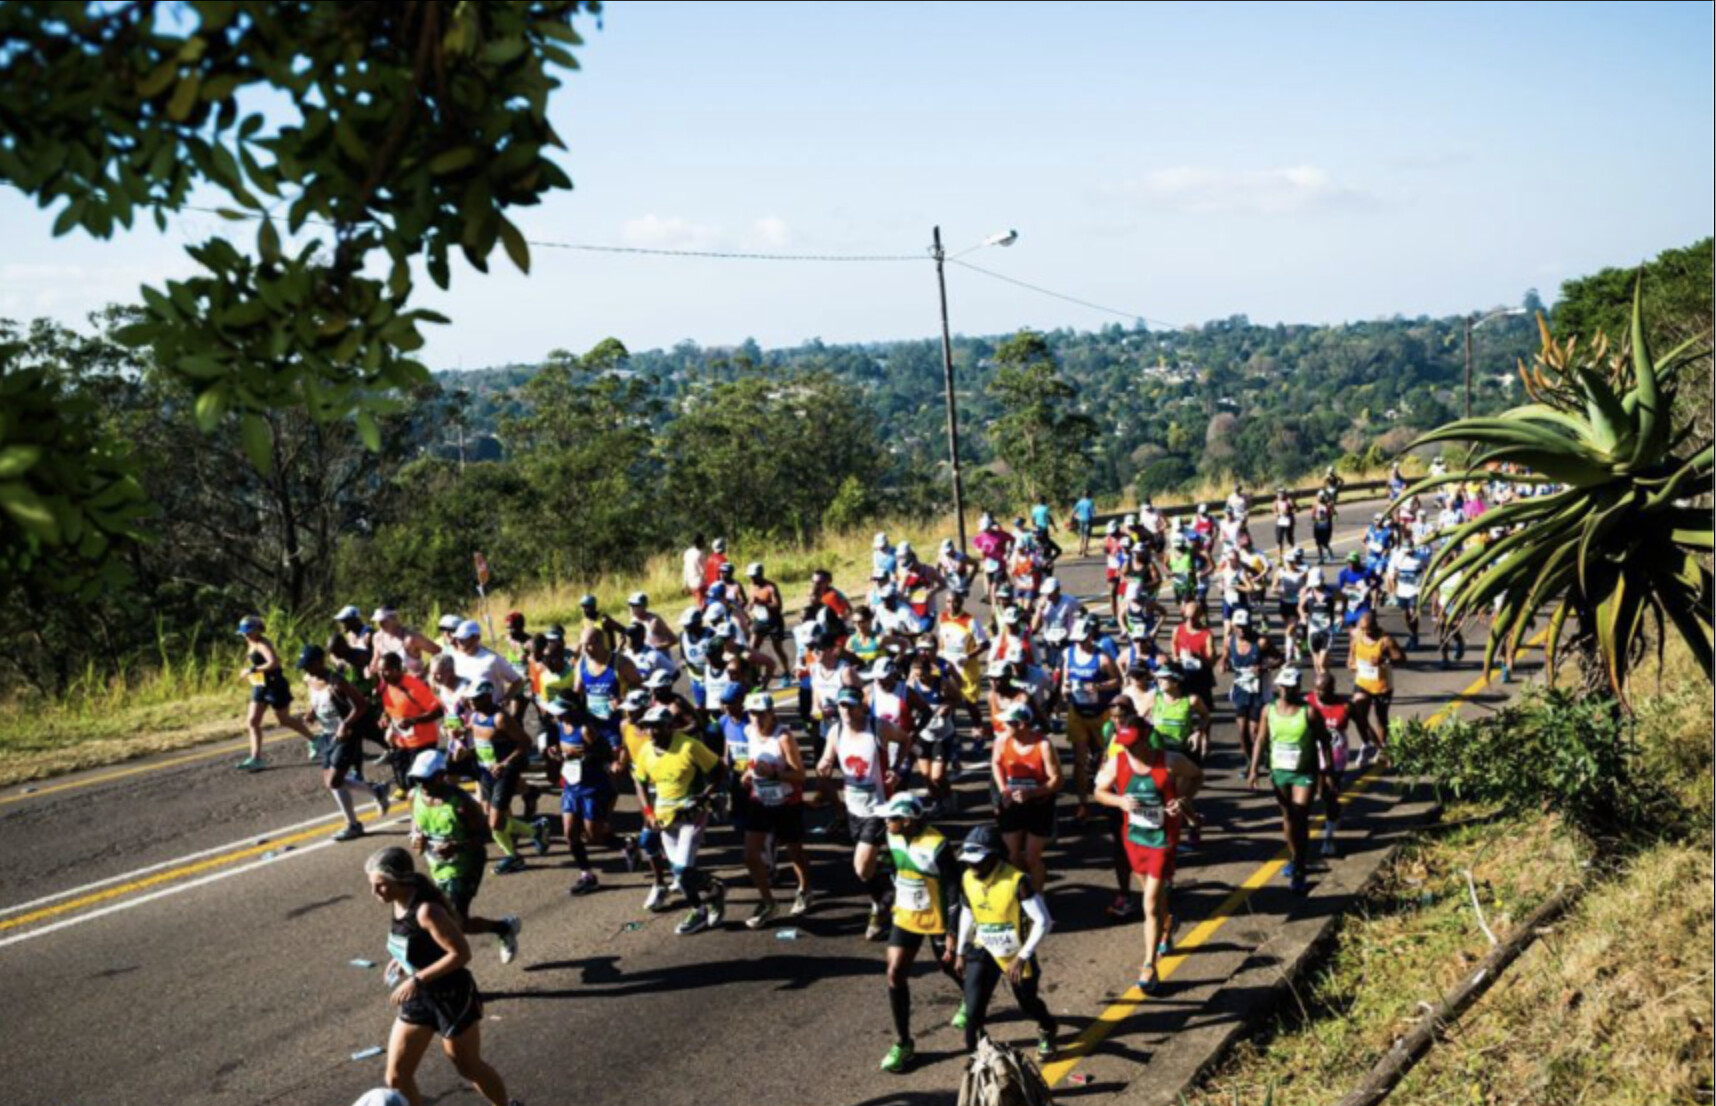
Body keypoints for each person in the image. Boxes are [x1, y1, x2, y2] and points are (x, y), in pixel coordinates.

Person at [363, 846, 519, 1106]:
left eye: (380, 885)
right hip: (419, 997)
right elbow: (418, 941)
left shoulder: (427, 911)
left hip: (451, 997)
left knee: (468, 1066)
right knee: (396, 1077)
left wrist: (417, 978)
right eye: (372, 885)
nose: (374, 892)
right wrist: (403, 959)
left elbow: (461, 954)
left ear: (400, 880)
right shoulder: (398, 902)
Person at [1093, 720, 1203, 994]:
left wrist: (1183, 799)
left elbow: (1196, 775)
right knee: (1152, 897)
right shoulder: (1117, 763)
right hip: (1135, 839)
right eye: (1124, 745)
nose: (1128, 749)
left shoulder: (1170, 761)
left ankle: (1149, 966)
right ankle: (1168, 925)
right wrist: (1120, 801)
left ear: (1145, 739)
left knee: (1150, 903)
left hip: (1162, 840)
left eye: (1132, 744)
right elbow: (1099, 792)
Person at [953, 825, 1058, 1059]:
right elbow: (967, 912)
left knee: (1027, 1004)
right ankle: (978, 1059)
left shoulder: (1017, 881)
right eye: (968, 861)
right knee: (973, 1009)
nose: (972, 867)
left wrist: (1022, 957)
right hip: (984, 949)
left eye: (978, 861)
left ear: (994, 856)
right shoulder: (968, 878)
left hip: (1015, 954)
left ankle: (1047, 1026)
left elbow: (1043, 921)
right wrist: (960, 951)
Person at [817, 685, 913, 941]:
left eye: (851, 705)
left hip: (879, 807)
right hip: (854, 808)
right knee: (868, 867)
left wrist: (897, 768)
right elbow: (826, 760)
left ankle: (883, 902)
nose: (846, 711)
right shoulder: (836, 731)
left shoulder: (878, 727)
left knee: (860, 867)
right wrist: (823, 766)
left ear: (862, 706)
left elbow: (905, 739)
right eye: (842, 705)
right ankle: (884, 896)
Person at [877, 794, 964, 1074]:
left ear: (907, 820)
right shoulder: (891, 836)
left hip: (937, 920)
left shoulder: (936, 845)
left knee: (950, 968)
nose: (886, 822)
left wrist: (952, 931)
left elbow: (954, 889)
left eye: (891, 818)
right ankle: (903, 1043)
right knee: (895, 973)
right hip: (906, 917)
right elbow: (893, 865)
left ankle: (973, 999)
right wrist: (888, 893)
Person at [405, 751, 520, 961]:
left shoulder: (461, 803)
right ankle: (504, 928)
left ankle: (448, 964)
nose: (422, 784)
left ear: (441, 775)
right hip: (437, 864)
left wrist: (457, 847)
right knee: (458, 922)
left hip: (467, 864)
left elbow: (485, 834)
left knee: (451, 921)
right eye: (417, 779)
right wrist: (415, 836)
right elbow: (415, 822)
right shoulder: (414, 796)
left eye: (426, 779)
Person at [634, 705, 729, 935]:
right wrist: (648, 812)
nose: (651, 732)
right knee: (680, 873)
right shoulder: (646, 750)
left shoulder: (689, 746)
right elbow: (640, 781)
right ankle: (713, 889)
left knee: (683, 870)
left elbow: (720, 770)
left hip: (691, 817)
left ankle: (699, 910)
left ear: (670, 727)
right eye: (648, 727)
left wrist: (704, 796)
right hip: (664, 818)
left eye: (657, 727)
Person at [1247, 668, 1331, 895]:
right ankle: (1295, 856)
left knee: (1300, 815)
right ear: (1278, 686)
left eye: (1291, 686)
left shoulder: (1309, 712)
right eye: (1283, 686)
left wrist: (1327, 772)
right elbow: (1261, 739)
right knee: (1288, 816)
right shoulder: (1268, 710)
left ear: (1298, 687)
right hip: (1280, 771)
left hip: (1304, 772)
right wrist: (1253, 769)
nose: (1286, 690)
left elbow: (1324, 741)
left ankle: (1300, 868)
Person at [299, 644, 391, 839]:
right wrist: (312, 712)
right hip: (327, 735)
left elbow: (361, 705)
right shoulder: (309, 679)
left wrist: (345, 724)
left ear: (319, 662)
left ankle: (353, 824)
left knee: (334, 780)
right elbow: (316, 700)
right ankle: (375, 792)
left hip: (346, 735)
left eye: (309, 665)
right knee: (331, 781)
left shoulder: (337, 682)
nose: (306, 670)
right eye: (304, 666)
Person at [737, 692, 813, 927]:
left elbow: (800, 776)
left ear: (771, 713)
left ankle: (804, 889)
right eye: (753, 714)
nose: (757, 719)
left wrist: (774, 774)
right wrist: (748, 774)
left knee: (794, 852)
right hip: (760, 801)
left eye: (761, 714)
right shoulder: (749, 732)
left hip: (786, 802)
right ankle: (768, 902)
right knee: (750, 855)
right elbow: (754, 763)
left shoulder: (783, 738)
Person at [464, 682, 548, 875]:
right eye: (470, 699)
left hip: (504, 773)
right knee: (492, 819)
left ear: (488, 697)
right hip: (485, 772)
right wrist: (461, 733)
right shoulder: (475, 716)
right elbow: (476, 733)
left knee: (495, 822)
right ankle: (515, 854)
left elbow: (525, 742)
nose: (472, 703)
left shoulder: (500, 718)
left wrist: (504, 763)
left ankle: (534, 832)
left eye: (476, 699)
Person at [543, 694, 616, 898]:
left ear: (572, 710)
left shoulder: (585, 729)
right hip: (571, 786)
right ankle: (587, 874)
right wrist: (555, 752)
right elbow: (559, 750)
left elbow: (606, 754)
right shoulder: (559, 725)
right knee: (570, 833)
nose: (556, 716)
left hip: (592, 786)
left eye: (560, 712)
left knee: (593, 836)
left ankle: (626, 845)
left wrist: (582, 755)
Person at [991, 703, 1061, 890]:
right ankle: (1023, 895)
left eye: (1008, 723)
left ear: (1021, 725)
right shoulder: (1002, 741)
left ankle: (1038, 898)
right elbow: (996, 763)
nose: (1003, 726)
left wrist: (1030, 794)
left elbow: (1057, 781)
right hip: (1012, 804)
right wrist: (1003, 789)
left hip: (1039, 805)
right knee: (1012, 856)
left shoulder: (1043, 745)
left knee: (1032, 858)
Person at [235, 615, 319, 770]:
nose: (246, 635)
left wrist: (252, 670)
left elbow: (274, 663)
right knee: (252, 722)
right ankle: (256, 759)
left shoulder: (262, 643)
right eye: (244, 633)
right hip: (260, 686)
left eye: (249, 632)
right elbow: (257, 662)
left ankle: (315, 740)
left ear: (258, 629)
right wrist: (249, 672)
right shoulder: (250, 642)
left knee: (284, 720)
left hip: (275, 686)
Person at [1060, 616, 1121, 821]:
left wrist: (1098, 687)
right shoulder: (1068, 654)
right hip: (1077, 712)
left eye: (1081, 639)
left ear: (1089, 637)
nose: (1078, 643)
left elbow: (1117, 681)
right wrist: (1065, 689)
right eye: (1075, 640)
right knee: (1079, 761)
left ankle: (1108, 797)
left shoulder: (1102, 658)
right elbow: (1065, 680)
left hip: (1100, 714)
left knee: (1105, 758)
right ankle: (1082, 804)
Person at [377, 652, 447, 801]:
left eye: (386, 670)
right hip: (400, 742)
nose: (382, 674)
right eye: (380, 670)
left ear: (397, 669)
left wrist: (413, 721)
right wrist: (385, 718)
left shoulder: (414, 686)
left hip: (422, 742)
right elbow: (390, 710)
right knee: (404, 783)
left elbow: (438, 711)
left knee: (419, 785)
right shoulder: (385, 687)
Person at [907, 641, 962, 816]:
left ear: (930, 671)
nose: (920, 679)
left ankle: (949, 796)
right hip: (923, 734)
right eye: (916, 675)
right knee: (926, 775)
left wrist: (948, 706)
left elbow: (958, 698)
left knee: (937, 776)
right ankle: (939, 801)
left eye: (922, 675)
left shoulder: (942, 683)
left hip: (942, 734)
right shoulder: (911, 686)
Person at [1220, 609, 1280, 766]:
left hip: (1259, 691)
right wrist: (1223, 663)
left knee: (1254, 731)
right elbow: (1225, 656)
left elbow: (1280, 658)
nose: (1241, 629)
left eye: (1244, 626)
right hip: (1240, 689)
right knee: (1241, 730)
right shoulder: (1229, 641)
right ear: (1233, 626)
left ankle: (1265, 753)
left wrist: (1264, 667)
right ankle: (1250, 762)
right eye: (1238, 626)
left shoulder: (1261, 642)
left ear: (1250, 625)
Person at [1347, 609, 1406, 765]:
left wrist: (1384, 660)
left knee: (1381, 719)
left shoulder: (1386, 640)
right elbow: (1351, 656)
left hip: (1382, 685)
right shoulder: (1357, 636)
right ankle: (1369, 745)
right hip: (1362, 682)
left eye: (1368, 629)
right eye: (1362, 628)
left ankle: (1382, 750)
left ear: (1375, 625)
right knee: (1359, 716)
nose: (1365, 632)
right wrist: (1352, 664)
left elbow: (1402, 658)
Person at [1308, 672, 1352, 857]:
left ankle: (1328, 838)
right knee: (1321, 792)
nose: (1318, 693)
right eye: (1316, 688)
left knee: (1330, 793)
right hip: (1314, 752)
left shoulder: (1345, 705)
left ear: (1332, 689)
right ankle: (1334, 811)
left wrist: (1375, 745)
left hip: (1336, 754)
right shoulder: (1308, 701)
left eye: (1323, 690)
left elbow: (1363, 725)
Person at [743, 563, 795, 682]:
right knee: (752, 647)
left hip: (774, 621)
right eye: (750, 577)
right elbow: (751, 601)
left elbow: (778, 606)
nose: (752, 579)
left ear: (760, 575)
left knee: (777, 648)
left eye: (754, 576)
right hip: (759, 620)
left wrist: (763, 603)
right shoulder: (752, 586)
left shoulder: (771, 587)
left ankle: (786, 671)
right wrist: (750, 606)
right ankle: (755, 674)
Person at [1386, 531, 1433, 651]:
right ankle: (1412, 634)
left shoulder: (1421, 556)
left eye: (1409, 551)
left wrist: (1428, 580)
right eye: (1406, 551)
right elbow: (1390, 574)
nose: (1408, 553)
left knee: (1412, 612)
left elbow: (1429, 566)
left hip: (1415, 590)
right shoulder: (1397, 557)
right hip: (1402, 590)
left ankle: (1414, 636)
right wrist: (1392, 590)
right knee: (1406, 614)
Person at [369, 608, 442, 682]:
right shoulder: (377, 638)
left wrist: (424, 672)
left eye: (384, 621)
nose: (381, 625)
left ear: (394, 618)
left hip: (414, 683)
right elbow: (376, 658)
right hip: (389, 684)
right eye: (379, 621)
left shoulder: (411, 638)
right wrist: (370, 669)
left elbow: (438, 652)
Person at [1311, 490, 1337, 564]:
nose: (1319, 498)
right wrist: (1315, 518)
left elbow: (1335, 514)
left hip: (1326, 526)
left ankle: (1330, 554)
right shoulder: (1315, 504)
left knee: (1325, 543)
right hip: (1318, 525)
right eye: (1318, 496)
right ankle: (1321, 558)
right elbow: (1312, 515)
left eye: (1321, 497)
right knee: (1318, 543)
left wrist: (1332, 517)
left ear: (1324, 497)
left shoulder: (1329, 504)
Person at [682, 533, 708, 602]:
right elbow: (704, 572)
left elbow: (685, 569)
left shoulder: (687, 552)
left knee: (699, 603)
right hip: (700, 584)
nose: (705, 542)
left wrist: (685, 583)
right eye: (703, 540)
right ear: (700, 542)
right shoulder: (700, 554)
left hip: (691, 584)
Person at [1071, 491, 1096, 558]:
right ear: (1089, 495)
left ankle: (1080, 549)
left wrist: (1077, 517)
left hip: (1081, 520)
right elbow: (1093, 513)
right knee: (1086, 536)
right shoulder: (1090, 502)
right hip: (1088, 520)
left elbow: (1073, 512)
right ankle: (1085, 552)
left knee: (1081, 535)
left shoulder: (1079, 502)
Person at [1272, 488, 1296, 555]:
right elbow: (1274, 512)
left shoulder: (1289, 501)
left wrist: (1290, 510)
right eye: (1279, 493)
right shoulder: (1275, 502)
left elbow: (1296, 509)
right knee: (1279, 539)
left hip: (1289, 522)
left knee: (1289, 538)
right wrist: (1277, 514)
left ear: (1285, 494)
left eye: (1282, 493)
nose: (1280, 495)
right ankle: (1280, 556)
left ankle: (1294, 552)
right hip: (1280, 523)